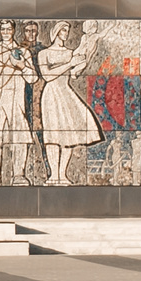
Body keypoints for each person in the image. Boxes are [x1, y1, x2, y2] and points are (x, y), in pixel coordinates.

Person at [34, 20, 103, 184]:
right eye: (63, 30)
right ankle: (53, 176)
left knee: (67, 135)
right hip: (51, 93)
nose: (66, 32)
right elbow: (47, 75)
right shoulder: (44, 53)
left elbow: (74, 73)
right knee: (51, 135)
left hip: (65, 92)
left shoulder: (71, 52)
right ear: (56, 32)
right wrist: (69, 64)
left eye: (67, 30)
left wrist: (88, 49)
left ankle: (62, 174)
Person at [0, 20, 37, 183]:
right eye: (2, 29)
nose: (5, 32)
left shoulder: (23, 52)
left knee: (20, 136)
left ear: (13, 31)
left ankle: (19, 175)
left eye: (8, 29)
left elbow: (32, 78)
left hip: (15, 99)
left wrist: (22, 66)